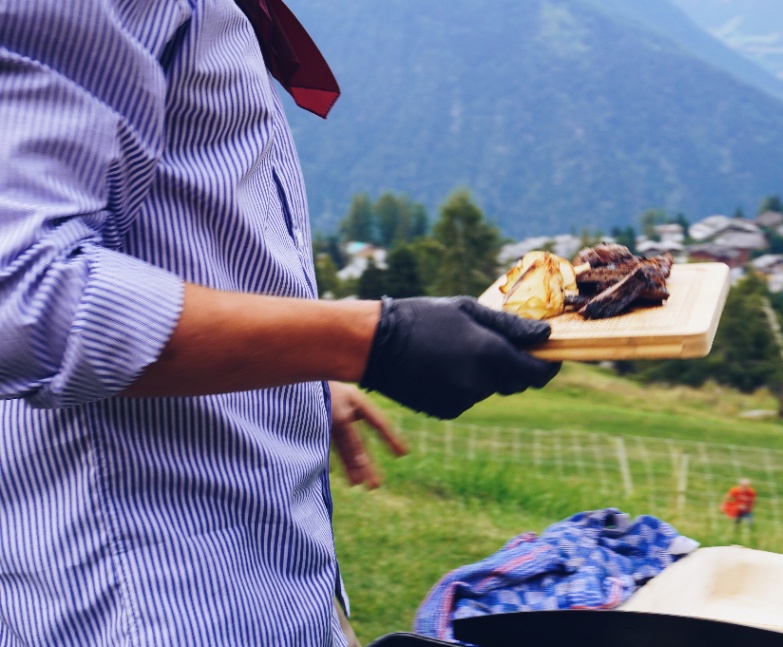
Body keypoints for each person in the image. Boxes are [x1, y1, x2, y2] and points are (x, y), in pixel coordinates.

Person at [0, 2, 560, 645]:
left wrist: (298, 372)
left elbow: (176, 227)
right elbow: (21, 298)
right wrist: (367, 340)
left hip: (247, 572)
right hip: (154, 595)